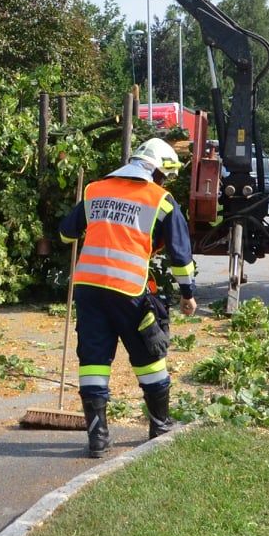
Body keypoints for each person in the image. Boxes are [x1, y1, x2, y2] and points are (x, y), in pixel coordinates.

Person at [58, 137, 197, 457]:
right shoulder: (161, 201)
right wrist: (187, 294)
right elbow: (181, 257)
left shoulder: (94, 190)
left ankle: (97, 439)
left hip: (89, 289)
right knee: (149, 356)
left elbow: (67, 232)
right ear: (157, 170)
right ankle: (160, 425)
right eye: (166, 175)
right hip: (129, 291)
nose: (166, 181)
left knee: (93, 361)